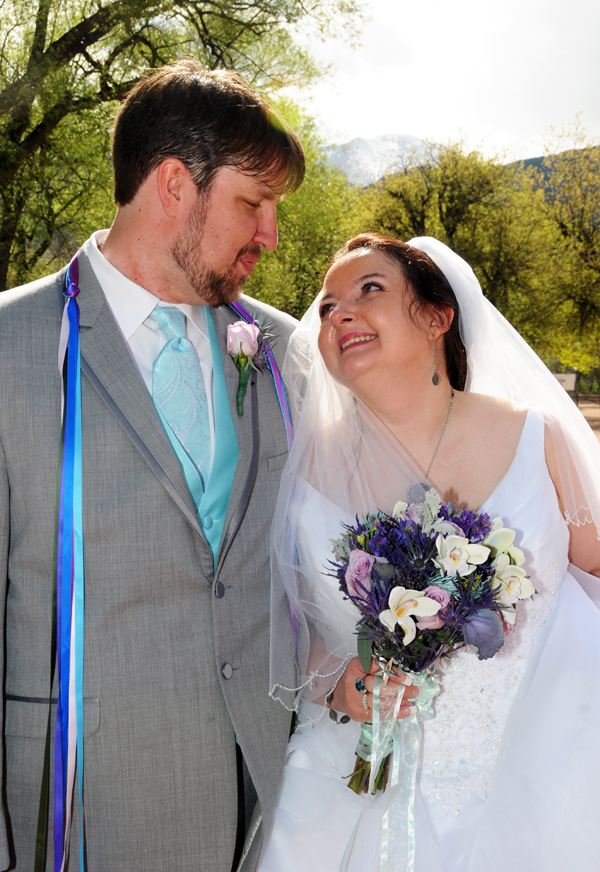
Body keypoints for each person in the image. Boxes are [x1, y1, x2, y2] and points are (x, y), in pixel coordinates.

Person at [0, 59, 305, 871]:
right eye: (253, 203)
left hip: (270, 811)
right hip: (77, 814)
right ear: (174, 184)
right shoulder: (9, 349)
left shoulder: (281, 351)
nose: (271, 235)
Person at [260, 233, 600, 871]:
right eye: (328, 306)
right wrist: (337, 682)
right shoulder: (300, 466)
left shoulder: (536, 436)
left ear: (437, 317)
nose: (341, 315)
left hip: (556, 757)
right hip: (365, 774)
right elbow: (280, 613)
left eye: (370, 290)